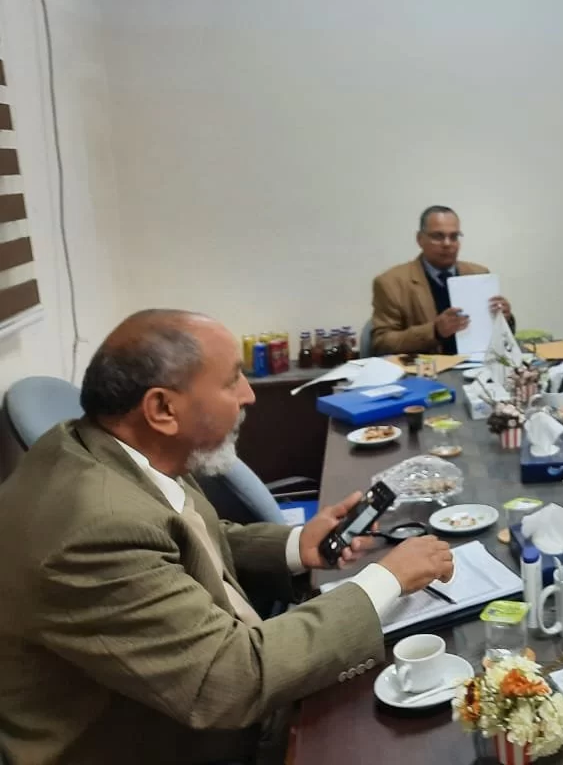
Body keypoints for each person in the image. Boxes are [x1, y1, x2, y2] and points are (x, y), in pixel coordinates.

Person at [0, 309, 456, 765]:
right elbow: (232, 679)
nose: (248, 394)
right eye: (231, 380)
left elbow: (191, 538)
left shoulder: (115, 450)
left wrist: (297, 546)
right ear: (162, 409)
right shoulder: (93, 530)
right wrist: (385, 581)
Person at [371, 205, 514, 355]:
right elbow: (381, 343)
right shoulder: (391, 283)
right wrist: (435, 331)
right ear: (420, 239)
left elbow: (499, 337)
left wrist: (505, 319)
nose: (447, 244)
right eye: (438, 236)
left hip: (477, 363)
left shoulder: (479, 274)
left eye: (454, 236)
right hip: (427, 367)